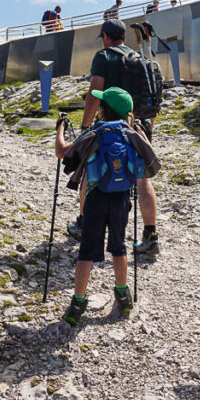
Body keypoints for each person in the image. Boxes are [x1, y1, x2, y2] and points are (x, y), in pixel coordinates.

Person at [56, 87, 159, 324]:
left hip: (95, 198)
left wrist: (60, 129)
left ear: (103, 110)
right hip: (121, 199)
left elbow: (62, 152)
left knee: (86, 251)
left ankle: (78, 303)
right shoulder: (130, 133)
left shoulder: (95, 132)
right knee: (119, 246)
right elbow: (150, 158)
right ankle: (122, 294)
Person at [82, 19, 161, 256]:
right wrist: (147, 129)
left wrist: (86, 125)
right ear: (123, 37)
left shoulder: (103, 56)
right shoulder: (141, 59)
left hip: (110, 124)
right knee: (142, 177)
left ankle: (84, 223)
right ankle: (150, 235)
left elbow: (95, 92)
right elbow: (152, 98)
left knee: (92, 171)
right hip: (139, 124)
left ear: (105, 36)